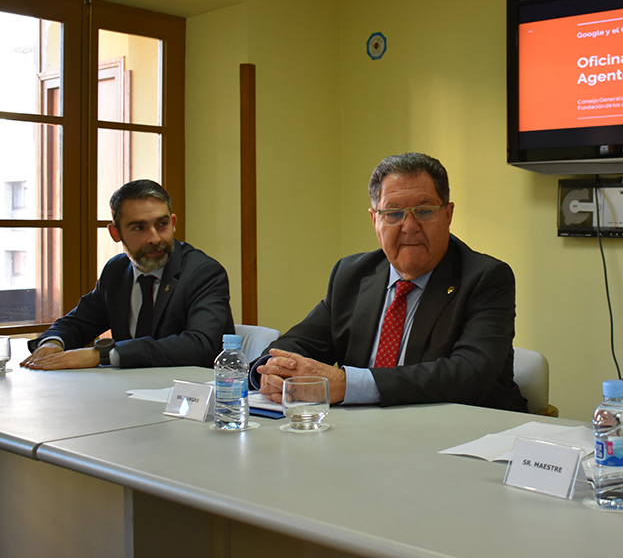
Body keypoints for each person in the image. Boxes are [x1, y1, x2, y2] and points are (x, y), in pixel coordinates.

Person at [252, 152, 527, 412]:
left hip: (463, 437)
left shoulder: (485, 278)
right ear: (375, 220)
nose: (409, 226)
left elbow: (468, 375)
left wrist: (347, 385)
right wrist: (273, 371)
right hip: (366, 434)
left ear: (448, 215)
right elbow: (300, 342)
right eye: (393, 214)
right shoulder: (352, 274)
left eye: (424, 211)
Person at [21, 179, 234, 369]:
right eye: (139, 228)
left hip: (189, 397)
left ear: (174, 223)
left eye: (162, 224)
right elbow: (79, 322)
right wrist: (53, 343)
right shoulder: (116, 271)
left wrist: (103, 355)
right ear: (116, 233)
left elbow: (200, 345)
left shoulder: (203, 272)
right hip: (127, 393)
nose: (154, 238)